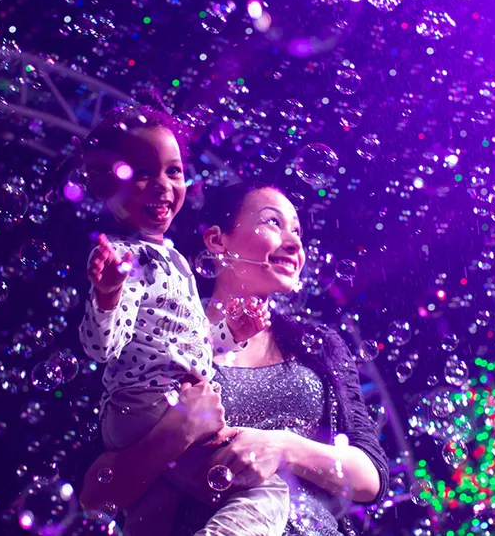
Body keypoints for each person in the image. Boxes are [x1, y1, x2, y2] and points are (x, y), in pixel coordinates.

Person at [79, 181, 389, 536]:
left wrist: (282, 447)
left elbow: (371, 478)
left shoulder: (319, 344)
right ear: (217, 241)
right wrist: (177, 432)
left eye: (297, 231)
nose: (294, 243)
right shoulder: (160, 339)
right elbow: (96, 494)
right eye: (273, 222)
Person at [77, 92, 290, 536]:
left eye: (172, 171)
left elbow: (193, 345)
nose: (162, 184)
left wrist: (232, 332)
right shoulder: (124, 258)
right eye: (140, 173)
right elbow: (102, 347)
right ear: (104, 187)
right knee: (266, 491)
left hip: (151, 409)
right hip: (149, 408)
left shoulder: (169, 259)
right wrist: (109, 294)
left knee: (152, 514)